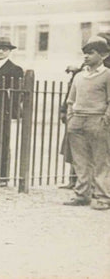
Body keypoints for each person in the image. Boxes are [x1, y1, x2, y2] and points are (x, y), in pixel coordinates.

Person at [63, 36, 110, 210]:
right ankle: (82, 194)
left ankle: (103, 197)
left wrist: (106, 119)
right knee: (80, 161)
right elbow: (70, 100)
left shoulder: (107, 75)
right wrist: (70, 118)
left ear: (103, 55)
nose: (86, 56)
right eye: (85, 53)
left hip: (97, 120)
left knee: (101, 160)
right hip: (77, 120)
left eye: (91, 53)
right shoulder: (79, 76)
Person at [0, 36, 24, 187]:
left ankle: (2, 178)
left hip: (3, 110)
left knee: (2, 142)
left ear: (9, 51)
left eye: (4, 49)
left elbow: (18, 93)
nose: (1, 51)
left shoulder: (15, 69)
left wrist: (12, 110)